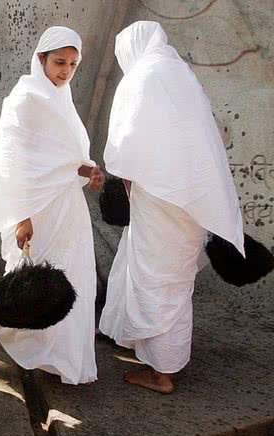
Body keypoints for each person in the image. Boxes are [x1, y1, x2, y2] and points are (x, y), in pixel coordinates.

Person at [99, 21, 245, 394]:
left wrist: (124, 180)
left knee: (153, 279)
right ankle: (151, 351)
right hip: (192, 200)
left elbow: (123, 146)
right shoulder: (180, 74)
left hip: (159, 198)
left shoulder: (140, 79)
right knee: (175, 280)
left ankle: (161, 373)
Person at [0, 26, 104, 385]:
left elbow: (64, 159)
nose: (65, 71)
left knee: (74, 276)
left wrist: (90, 170)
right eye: (59, 62)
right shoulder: (25, 98)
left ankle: (62, 358)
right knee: (35, 279)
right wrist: (22, 217)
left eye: (73, 64)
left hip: (67, 208)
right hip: (35, 208)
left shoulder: (62, 98)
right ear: (40, 60)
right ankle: (36, 347)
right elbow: (14, 162)